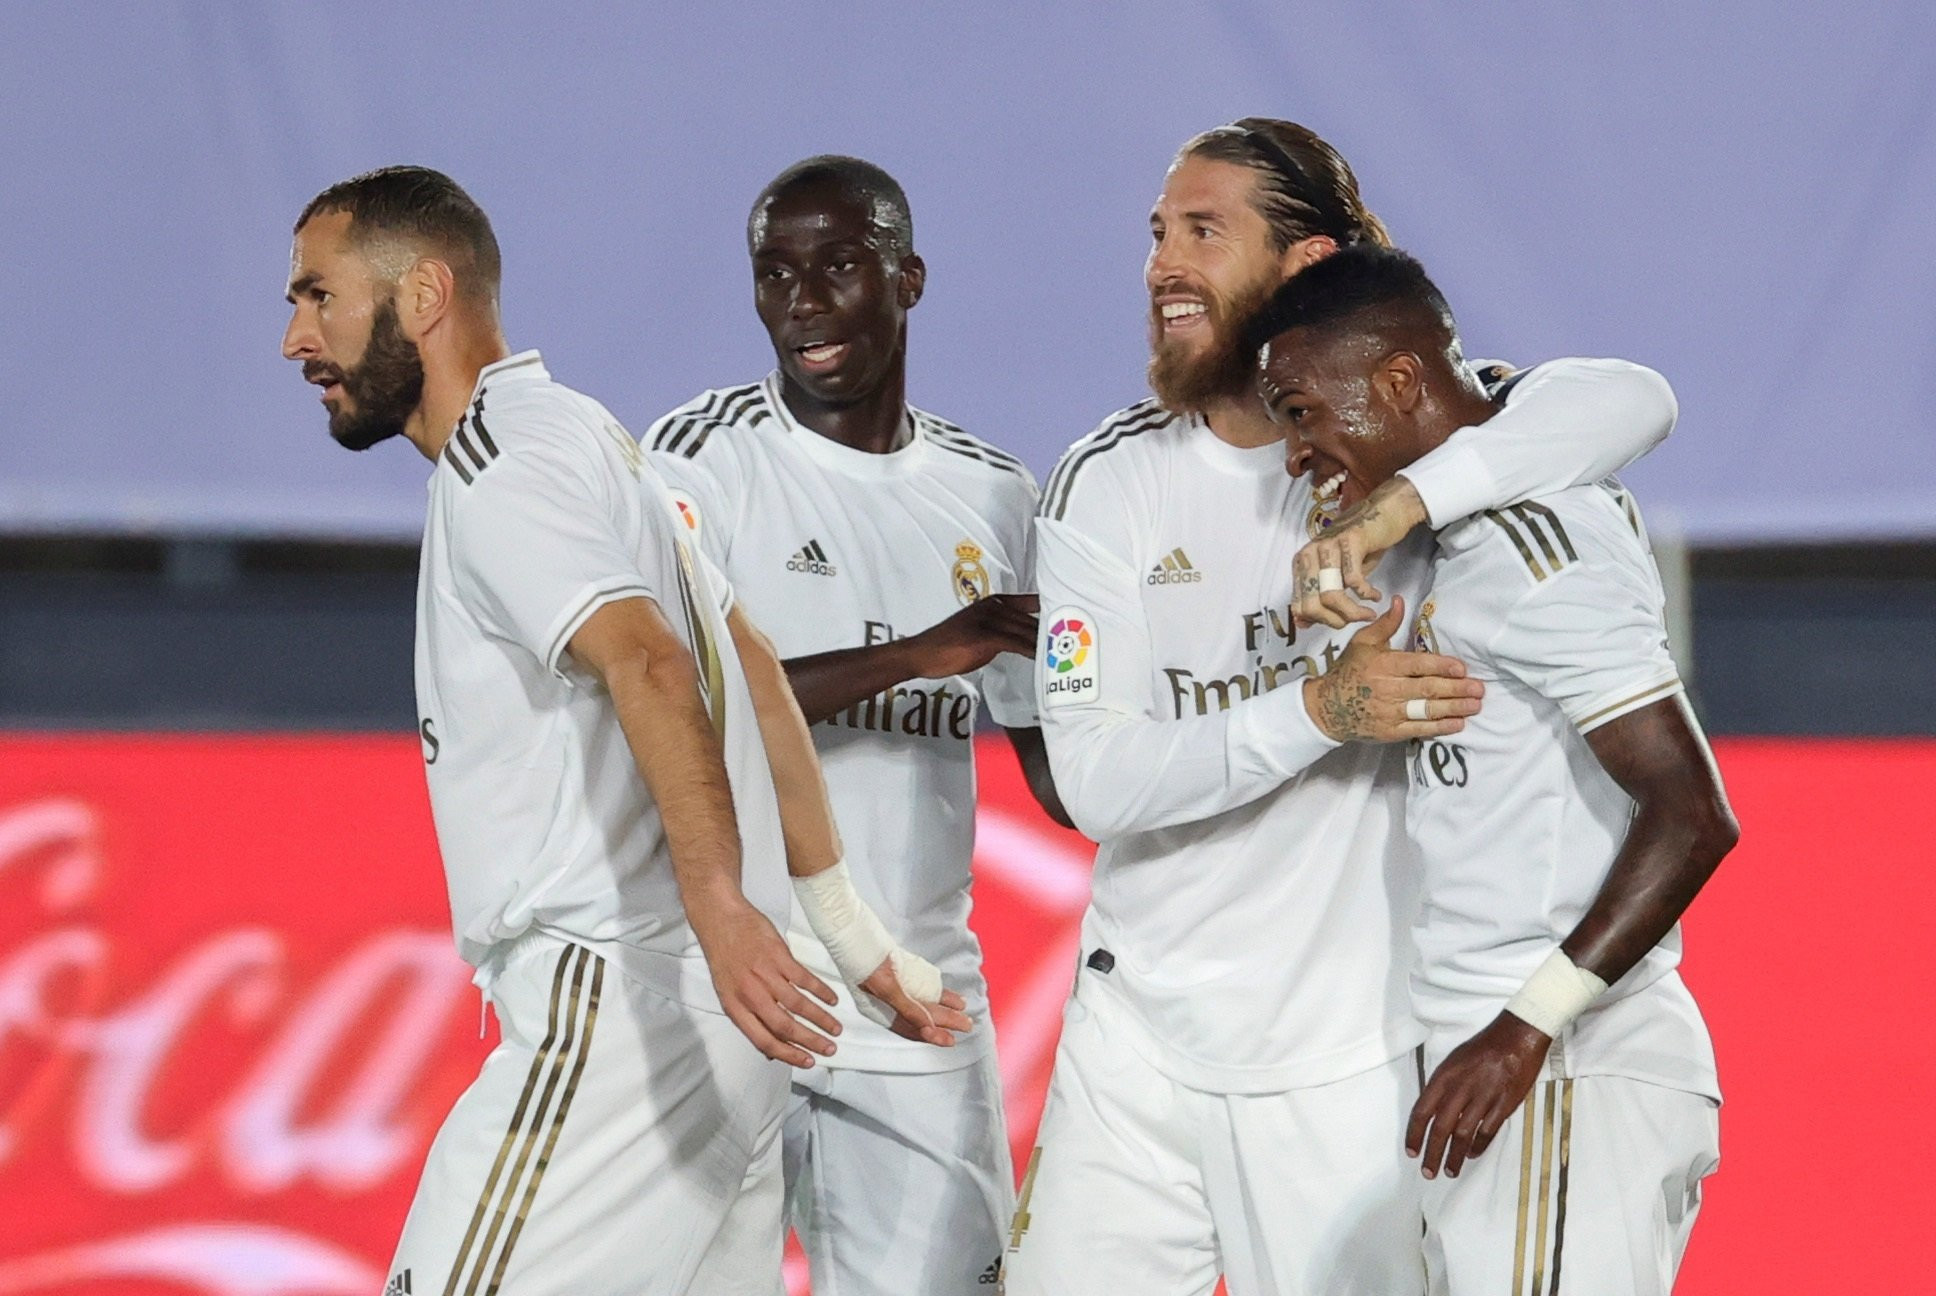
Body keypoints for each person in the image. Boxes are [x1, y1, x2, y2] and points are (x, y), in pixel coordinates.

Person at [1003, 120, 1680, 1296]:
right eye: (1157, 232)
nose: (1163, 262)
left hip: (1352, 1051)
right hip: (1137, 1038)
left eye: (1203, 232)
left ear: (1308, 263)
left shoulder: (1426, 436)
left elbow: (1632, 396)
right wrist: (1318, 708)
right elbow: (1099, 785)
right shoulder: (1104, 480)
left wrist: (1398, 505)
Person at [279, 165, 965, 1296]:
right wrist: (843, 933)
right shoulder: (581, 434)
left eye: (319, 297)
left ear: (424, 295)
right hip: (713, 1029)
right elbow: (748, 669)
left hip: (618, 1017)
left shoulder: (503, 469)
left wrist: (721, 909)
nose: (298, 338)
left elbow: (650, 661)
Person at [1251, 243, 1735, 1295]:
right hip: (1490, 1061)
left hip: (1561, 1068)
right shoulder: (1442, 533)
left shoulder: (1529, 542)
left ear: (1394, 382)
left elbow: (1692, 812)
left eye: (1298, 412)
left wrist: (1523, 1030)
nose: (1291, 453)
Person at [647, 155, 1065, 1296]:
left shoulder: (997, 495)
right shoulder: (698, 459)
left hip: (918, 1002)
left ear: (908, 278)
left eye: (836, 267)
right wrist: (928, 651)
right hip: (729, 983)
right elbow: (677, 707)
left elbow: (1064, 775)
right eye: (773, 273)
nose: (801, 301)